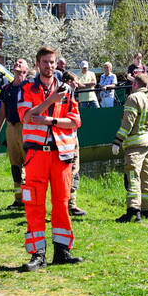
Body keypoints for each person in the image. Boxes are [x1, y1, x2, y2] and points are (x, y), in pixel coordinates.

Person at [17, 46, 83, 271]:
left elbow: (75, 121)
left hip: (61, 155)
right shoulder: (27, 88)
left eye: (52, 62)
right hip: (37, 154)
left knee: (62, 203)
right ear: (38, 64)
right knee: (35, 203)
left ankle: (62, 251)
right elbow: (26, 116)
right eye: (45, 62)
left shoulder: (67, 90)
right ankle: (38, 254)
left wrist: (49, 120)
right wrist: (51, 101)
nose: (50, 66)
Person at [112, 72, 148, 223]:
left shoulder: (133, 98)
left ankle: (133, 211)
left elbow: (128, 122)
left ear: (135, 84)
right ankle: (147, 210)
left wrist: (117, 141)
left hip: (135, 145)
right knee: (146, 177)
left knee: (133, 176)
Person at [0, 58, 30, 209]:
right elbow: (2, 112)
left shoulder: (30, 87)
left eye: (21, 62)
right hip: (11, 128)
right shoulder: (6, 88)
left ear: (26, 69)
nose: (17, 63)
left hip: (26, 128)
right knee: (15, 166)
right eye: (16, 62)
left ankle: (30, 200)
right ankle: (18, 200)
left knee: (29, 165)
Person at [60, 72, 87, 217]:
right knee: (73, 171)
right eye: (75, 81)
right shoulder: (65, 96)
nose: (77, 84)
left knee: (70, 171)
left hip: (68, 137)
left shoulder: (63, 95)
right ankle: (70, 205)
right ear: (69, 82)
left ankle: (67, 204)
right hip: (68, 139)